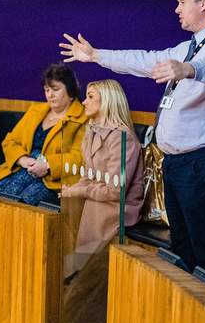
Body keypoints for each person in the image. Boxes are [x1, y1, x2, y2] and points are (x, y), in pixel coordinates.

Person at [60, 0, 205, 291]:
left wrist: (189, 70)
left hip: (201, 162)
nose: (176, 9)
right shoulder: (188, 46)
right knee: (183, 249)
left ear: (204, 3)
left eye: (182, 2)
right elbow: (144, 61)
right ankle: (187, 317)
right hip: (176, 163)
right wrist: (96, 56)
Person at [61, 79, 144, 256]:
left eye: (90, 97)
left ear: (107, 101)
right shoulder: (92, 130)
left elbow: (115, 191)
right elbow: (89, 176)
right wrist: (72, 189)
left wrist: (78, 192)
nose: (84, 102)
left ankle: (83, 276)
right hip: (100, 198)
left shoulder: (123, 137)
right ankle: (74, 273)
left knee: (86, 206)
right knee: (67, 206)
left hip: (119, 206)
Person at [0, 64, 87, 205]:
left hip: (54, 179)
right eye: (46, 90)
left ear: (70, 90)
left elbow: (80, 158)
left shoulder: (83, 117)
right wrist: (21, 159)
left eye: (55, 89)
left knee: (21, 203)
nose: (50, 95)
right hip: (22, 168)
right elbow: (10, 141)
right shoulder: (35, 111)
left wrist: (48, 165)